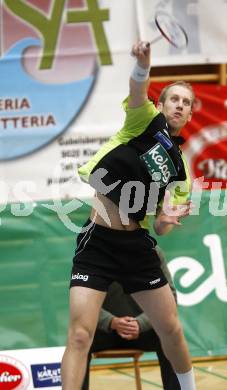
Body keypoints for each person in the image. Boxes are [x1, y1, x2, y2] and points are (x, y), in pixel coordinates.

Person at [61, 40, 196, 390]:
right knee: (78, 335)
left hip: (136, 246)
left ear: (191, 114)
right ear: (162, 105)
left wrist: (168, 219)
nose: (179, 105)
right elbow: (138, 89)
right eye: (174, 99)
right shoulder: (143, 122)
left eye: (186, 103)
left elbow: (163, 227)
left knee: (171, 328)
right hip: (99, 240)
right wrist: (143, 65)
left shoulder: (181, 172)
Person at [81, 247, 181, 390]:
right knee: (80, 337)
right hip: (105, 332)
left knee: (171, 334)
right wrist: (111, 322)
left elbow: (171, 298)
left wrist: (141, 323)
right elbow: (83, 303)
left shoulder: (152, 251)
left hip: (144, 331)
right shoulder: (92, 252)